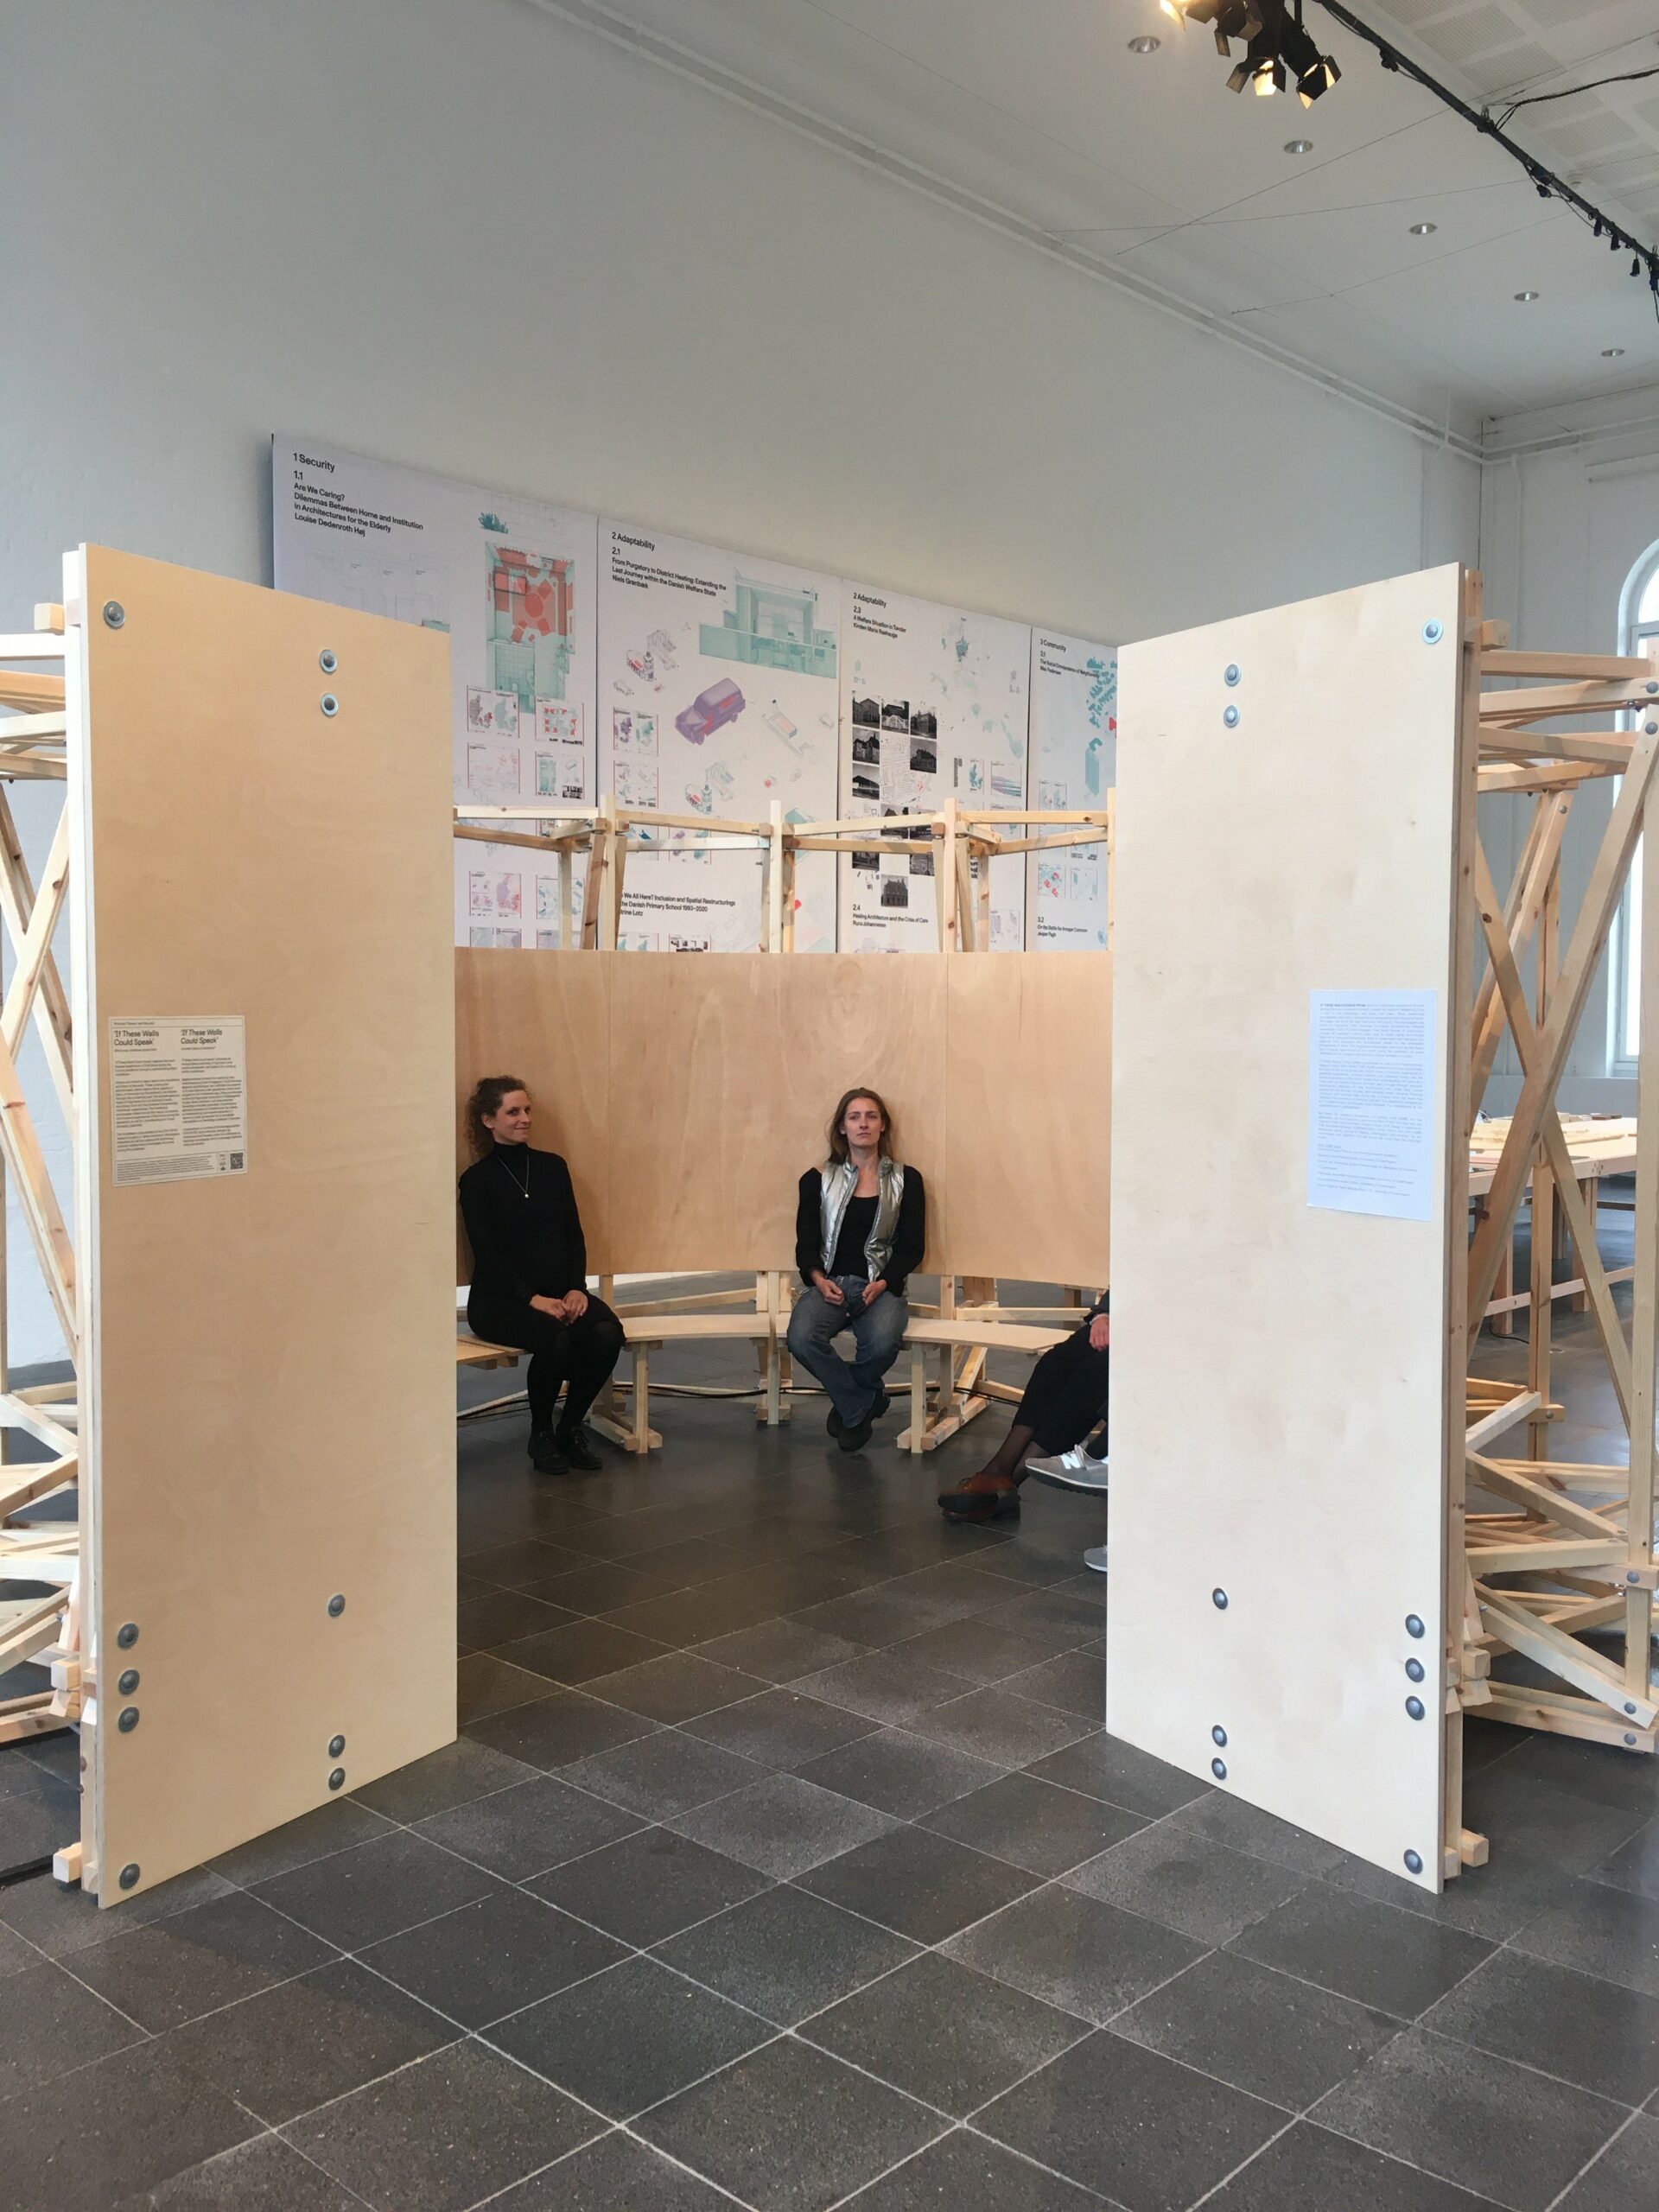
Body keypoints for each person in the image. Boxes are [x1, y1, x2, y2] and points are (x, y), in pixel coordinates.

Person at [458, 1076, 624, 1476]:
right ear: (488, 1120)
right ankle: (541, 1434)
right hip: (500, 1301)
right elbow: (488, 1255)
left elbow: (573, 1233)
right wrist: (532, 1299)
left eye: (527, 1110)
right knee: (556, 1337)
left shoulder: (552, 1168)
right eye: (512, 1112)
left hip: (557, 1290)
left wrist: (575, 1288)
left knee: (607, 1332)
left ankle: (568, 1429)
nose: (524, 1118)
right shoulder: (477, 1181)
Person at [787, 1088, 925, 1452]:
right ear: (842, 1128)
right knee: (801, 1337)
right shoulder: (815, 1179)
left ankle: (853, 1396)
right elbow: (806, 1246)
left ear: (883, 1126)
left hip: (880, 1285)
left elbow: (912, 1247)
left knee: (882, 1343)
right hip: (829, 1284)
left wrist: (884, 1283)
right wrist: (818, 1280)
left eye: (871, 1116)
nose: (863, 1124)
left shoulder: (906, 1179)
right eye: (854, 1117)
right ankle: (861, 1402)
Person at [938, 1294, 1109, 1532]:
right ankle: (999, 1471)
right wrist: (1103, 1315)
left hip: (1161, 1333)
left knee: (1093, 1375)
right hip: (1127, 1318)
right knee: (1056, 1363)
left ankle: (1009, 1480)